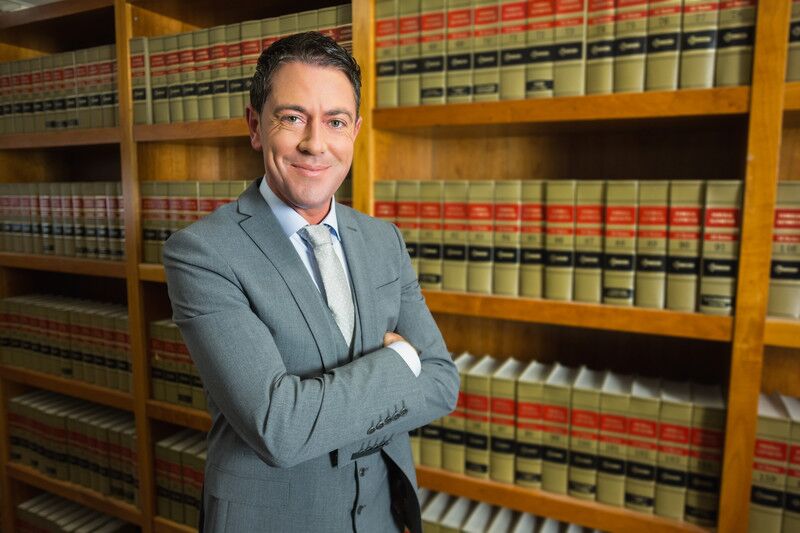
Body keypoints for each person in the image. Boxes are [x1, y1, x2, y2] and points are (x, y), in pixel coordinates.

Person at [163, 31, 459, 533]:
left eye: (335, 121)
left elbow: (443, 384)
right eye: (293, 117)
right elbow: (280, 427)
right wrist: (401, 362)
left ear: (355, 131)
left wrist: (324, 410)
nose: (314, 144)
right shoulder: (202, 253)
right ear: (255, 126)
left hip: (383, 518)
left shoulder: (383, 239)